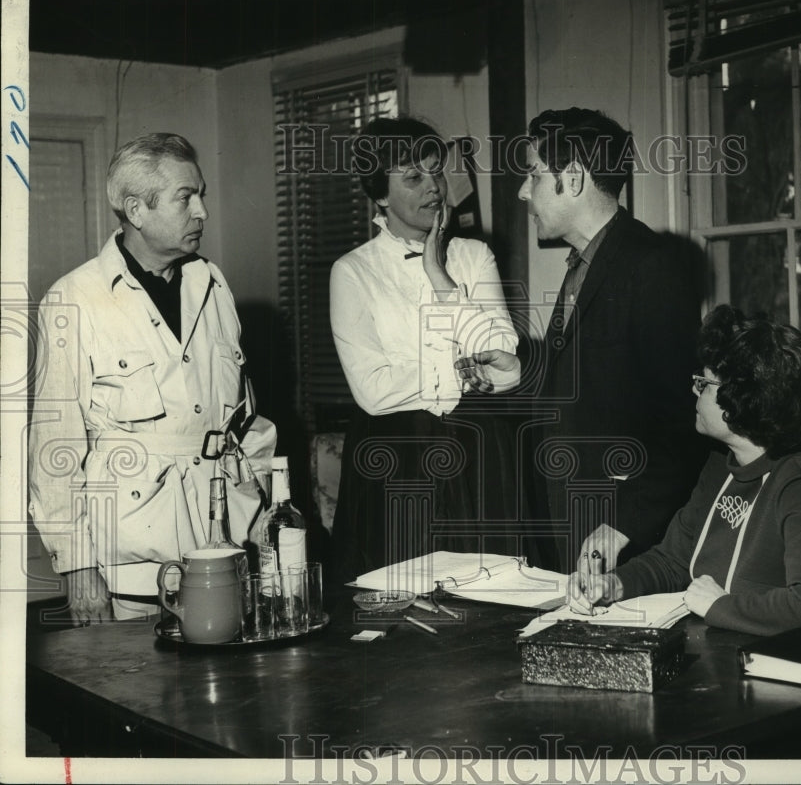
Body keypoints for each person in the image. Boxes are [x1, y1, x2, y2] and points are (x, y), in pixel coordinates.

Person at [28, 133, 275, 624]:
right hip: (133, 564)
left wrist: (264, 511)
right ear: (136, 210)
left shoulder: (212, 282)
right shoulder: (75, 298)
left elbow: (246, 424)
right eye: (187, 197)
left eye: (200, 194)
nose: (202, 211)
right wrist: (77, 566)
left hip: (226, 543)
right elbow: (53, 450)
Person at [462, 108, 708, 575]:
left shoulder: (650, 267)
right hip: (568, 526)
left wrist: (620, 526)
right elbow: (595, 389)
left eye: (533, 174)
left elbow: (681, 423)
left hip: (621, 542)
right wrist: (520, 375)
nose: (522, 191)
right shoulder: (584, 263)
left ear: (572, 178)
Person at [568, 305, 801, 637]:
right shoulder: (721, 463)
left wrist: (719, 607)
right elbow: (673, 561)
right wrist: (613, 584)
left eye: (704, 383)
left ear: (743, 399)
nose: (694, 391)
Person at [329, 117, 520, 582]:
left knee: (489, 597)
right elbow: (372, 392)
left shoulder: (474, 256)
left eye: (436, 172)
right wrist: (463, 369)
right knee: (400, 610)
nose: (434, 187)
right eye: (413, 177)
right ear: (379, 195)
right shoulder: (353, 272)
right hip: (396, 460)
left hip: (479, 454)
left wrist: (440, 276)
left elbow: (504, 360)